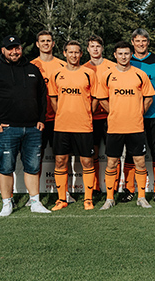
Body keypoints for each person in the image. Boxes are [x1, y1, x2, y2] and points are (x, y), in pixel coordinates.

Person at [0, 35, 51, 216]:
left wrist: (41, 119)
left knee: (33, 167)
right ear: (3, 50)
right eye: (10, 48)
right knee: (6, 168)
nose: (14, 51)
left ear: (21, 49)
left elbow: (43, 98)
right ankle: (7, 203)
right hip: (6, 129)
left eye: (17, 48)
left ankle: (35, 201)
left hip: (32, 129)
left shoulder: (33, 69)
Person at [96, 41, 155, 210]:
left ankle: (141, 197)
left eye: (126, 53)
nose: (123, 57)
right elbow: (101, 99)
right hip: (115, 127)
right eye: (120, 54)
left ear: (131, 55)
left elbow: (149, 98)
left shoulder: (140, 74)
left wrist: (138, 113)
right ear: (115, 55)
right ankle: (109, 198)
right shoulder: (107, 75)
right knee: (112, 163)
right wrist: (114, 111)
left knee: (140, 162)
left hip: (136, 127)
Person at [123, 28, 155, 202]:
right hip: (133, 116)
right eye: (137, 41)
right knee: (131, 153)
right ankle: (129, 190)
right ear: (133, 42)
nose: (140, 44)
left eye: (143, 41)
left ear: (148, 42)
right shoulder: (128, 61)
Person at [50, 40, 97, 211]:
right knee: (61, 161)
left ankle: (88, 199)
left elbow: (95, 98)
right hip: (62, 126)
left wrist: (86, 113)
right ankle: (62, 199)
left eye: (77, 52)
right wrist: (62, 112)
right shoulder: (57, 74)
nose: (73, 55)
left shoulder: (88, 73)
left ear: (81, 54)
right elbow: (53, 98)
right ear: (64, 53)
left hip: (83, 126)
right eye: (70, 52)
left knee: (86, 161)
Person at [32, 30, 65, 182]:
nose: (46, 43)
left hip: (59, 120)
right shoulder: (31, 66)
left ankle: (64, 192)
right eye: (42, 41)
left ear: (53, 43)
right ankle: (35, 194)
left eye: (48, 40)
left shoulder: (62, 65)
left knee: (62, 157)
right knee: (36, 158)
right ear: (37, 44)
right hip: (38, 120)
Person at [84, 35, 115, 195]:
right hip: (90, 118)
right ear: (87, 49)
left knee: (112, 153)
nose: (95, 49)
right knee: (93, 152)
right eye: (92, 46)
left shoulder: (113, 66)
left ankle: (114, 186)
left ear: (102, 48)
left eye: (98, 46)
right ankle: (95, 186)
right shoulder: (83, 68)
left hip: (110, 116)